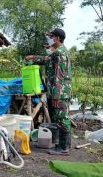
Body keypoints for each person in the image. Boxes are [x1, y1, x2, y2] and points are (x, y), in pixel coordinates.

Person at [26, 28, 71, 156]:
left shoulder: (59, 53)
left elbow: (59, 76)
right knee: (58, 119)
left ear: (56, 38)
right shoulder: (57, 53)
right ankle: (61, 145)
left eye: (50, 37)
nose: (49, 39)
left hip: (59, 93)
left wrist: (55, 96)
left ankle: (64, 147)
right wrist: (33, 58)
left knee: (62, 119)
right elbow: (46, 59)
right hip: (58, 92)